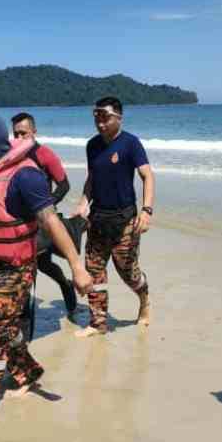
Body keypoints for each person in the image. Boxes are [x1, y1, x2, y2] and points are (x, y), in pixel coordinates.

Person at [0, 110, 93, 430]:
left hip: (17, 268)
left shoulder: (26, 175)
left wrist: (77, 266)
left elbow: (51, 221)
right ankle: (29, 372)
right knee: (2, 328)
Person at [74, 96, 155, 338]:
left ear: (119, 117)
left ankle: (144, 299)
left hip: (125, 222)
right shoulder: (92, 145)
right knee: (94, 272)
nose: (100, 123)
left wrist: (146, 210)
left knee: (128, 273)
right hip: (98, 220)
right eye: (96, 117)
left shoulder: (131, 144)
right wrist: (83, 202)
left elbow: (147, 176)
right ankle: (98, 323)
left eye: (105, 117)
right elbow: (92, 178)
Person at [11, 111, 80, 315]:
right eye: (16, 134)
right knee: (42, 264)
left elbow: (64, 185)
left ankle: (27, 308)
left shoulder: (44, 154)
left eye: (23, 133)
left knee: (33, 264)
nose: (19, 138)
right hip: (20, 221)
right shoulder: (12, 155)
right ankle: (63, 285)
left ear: (34, 132)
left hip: (42, 222)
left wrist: (45, 207)